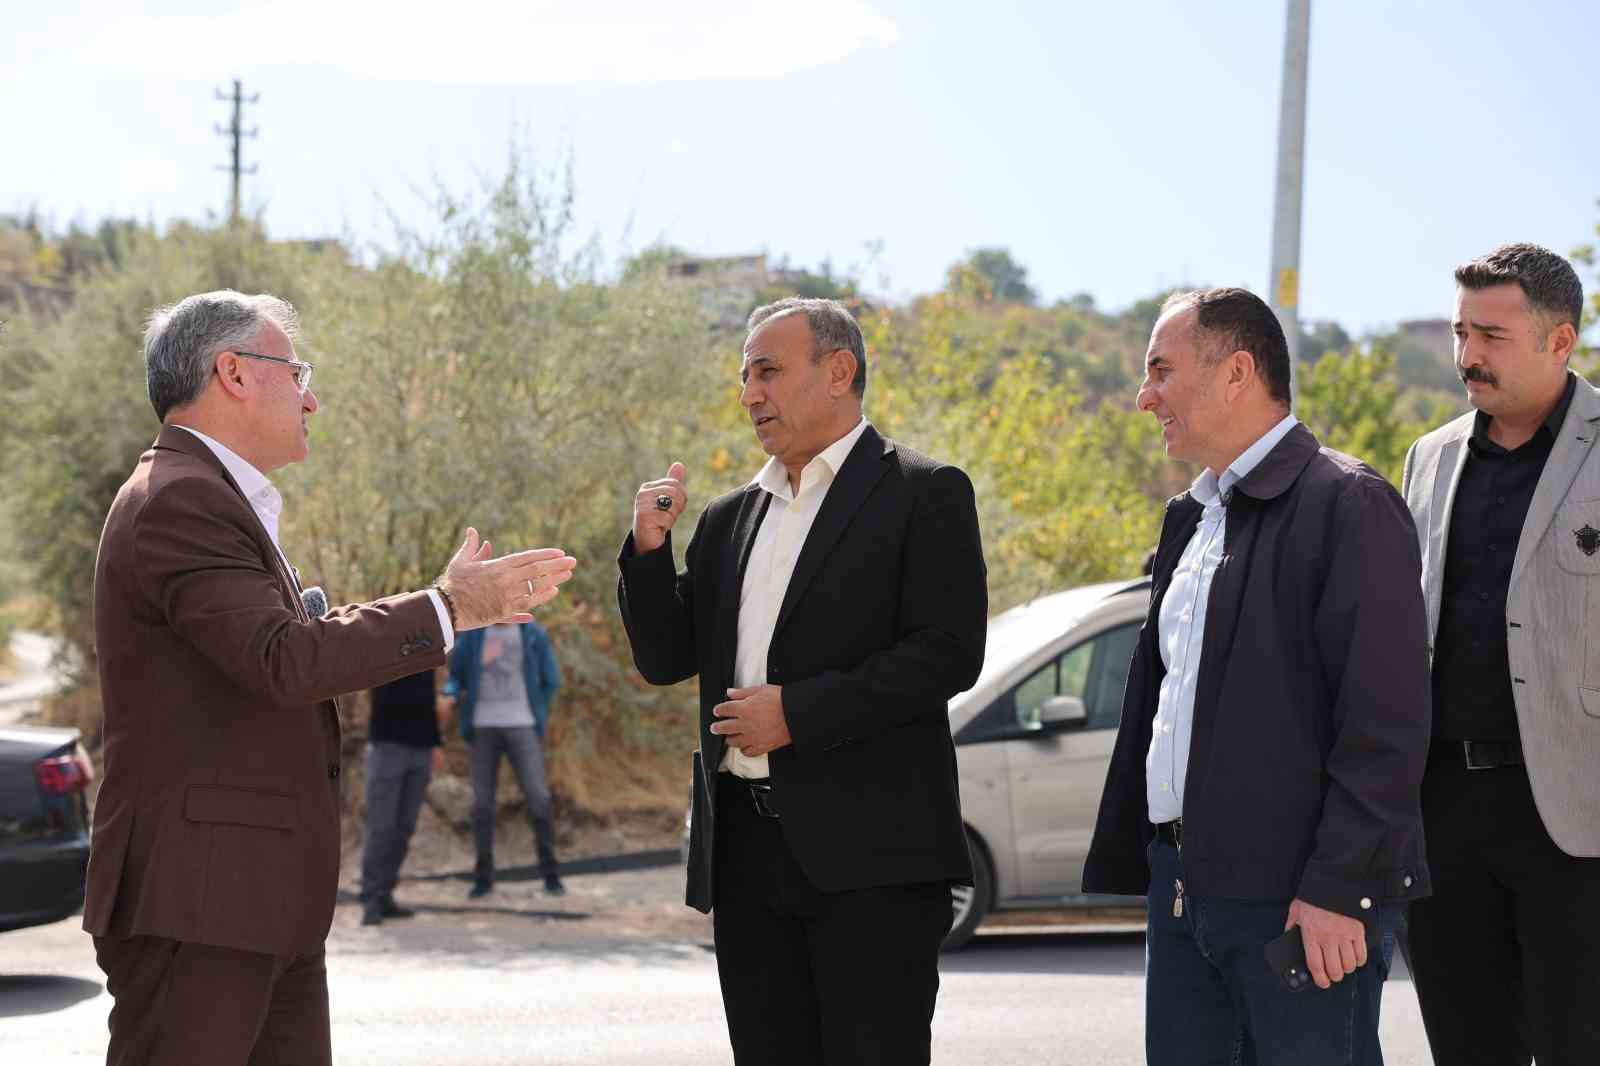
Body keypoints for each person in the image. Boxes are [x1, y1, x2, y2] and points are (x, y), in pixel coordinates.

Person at [85, 290, 577, 1066]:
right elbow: (287, 658)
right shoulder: (179, 501)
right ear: (234, 373)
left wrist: (451, 610)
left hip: (253, 904)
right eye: (298, 372)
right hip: (202, 907)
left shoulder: (206, 497)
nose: (311, 396)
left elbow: (286, 644)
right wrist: (447, 609)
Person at [617, 297, 987, 1065]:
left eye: (768, 371)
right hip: (747, 860)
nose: (750, 393)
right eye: (744, 376)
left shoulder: (924, 492)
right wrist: (650, 551)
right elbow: (664, 658)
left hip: (875, 868)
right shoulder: (727, 520)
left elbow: (949, 652)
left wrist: (800, 714)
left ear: (838, 372)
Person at [1082, 287, 1431, 1066]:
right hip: (1184, 894)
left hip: (1300, 906)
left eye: (1161, 371)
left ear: (1237, 371)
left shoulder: (1350, 503)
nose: (1145, 398)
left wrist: (1341, 888)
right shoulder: (1194, 517)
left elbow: (1387, 724)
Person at [1399, 243, 1600, 1065]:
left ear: (1560, 342)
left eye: (1491, 335)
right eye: (1459, 332)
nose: (1467, 356)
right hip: (1444, 819)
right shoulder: (1429, 458)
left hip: (1577, 825)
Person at [445, 620, 564, 897]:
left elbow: (551, 679)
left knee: (538, 798)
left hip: (522, 724)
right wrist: (451, 695)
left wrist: (538, 712)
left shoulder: (533, 633)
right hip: (482, 726)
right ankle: (483, 880)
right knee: (482, 804)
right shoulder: (475, 634)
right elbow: (456, 676)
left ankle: (551, 875)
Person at [358, 669, 447, 926]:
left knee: (404, 827)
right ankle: (370, 898)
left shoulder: (428, 645)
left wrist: (435, 743)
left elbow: (427, 697)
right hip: (388, 746)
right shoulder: (385, 640)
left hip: (420, 749)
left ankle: (385, 893)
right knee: (381, 827)